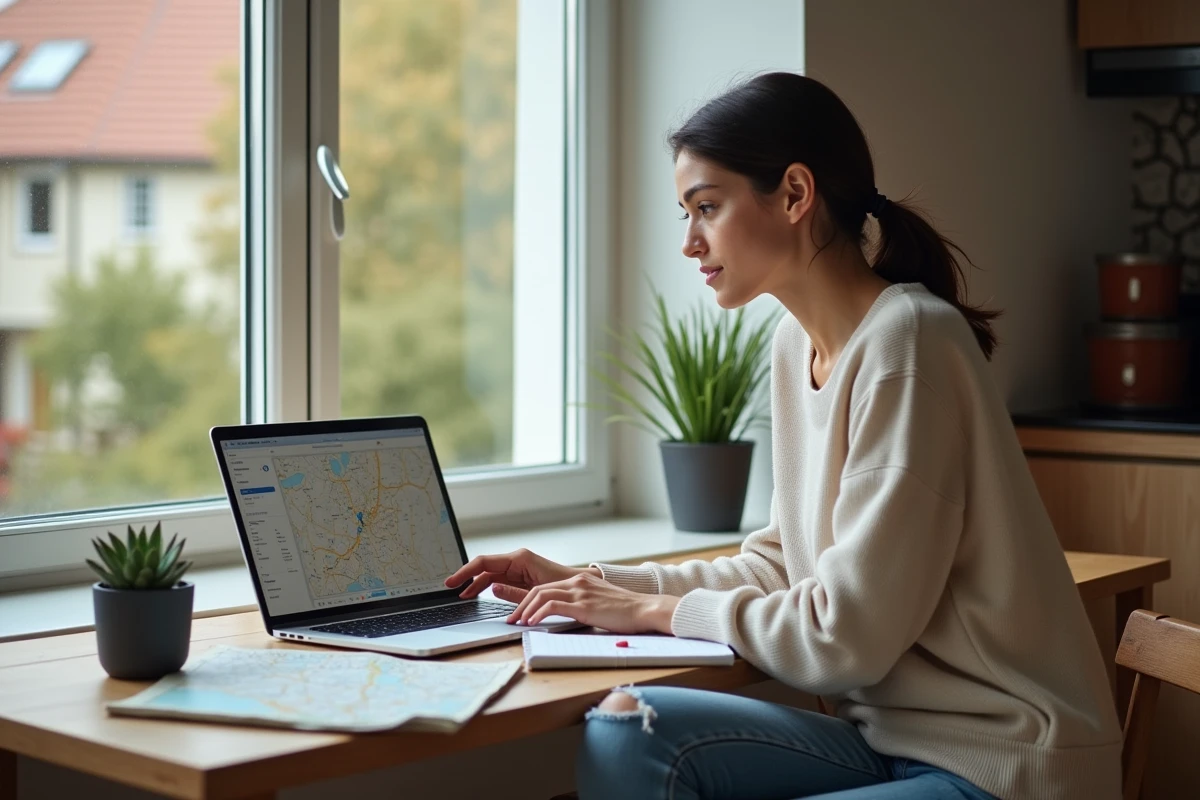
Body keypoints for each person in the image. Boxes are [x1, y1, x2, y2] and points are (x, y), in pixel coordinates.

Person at [443, 72, 1121, 800]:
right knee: (627, 726)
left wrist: (652, 610)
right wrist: (593, 586)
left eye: (706, 207)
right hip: (889, 741)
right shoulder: (794, 346)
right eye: (684, 213)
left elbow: (843, 636)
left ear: (796, 194)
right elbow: (781, 566)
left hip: (1003, 762)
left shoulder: (911, 342)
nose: (689, 242)